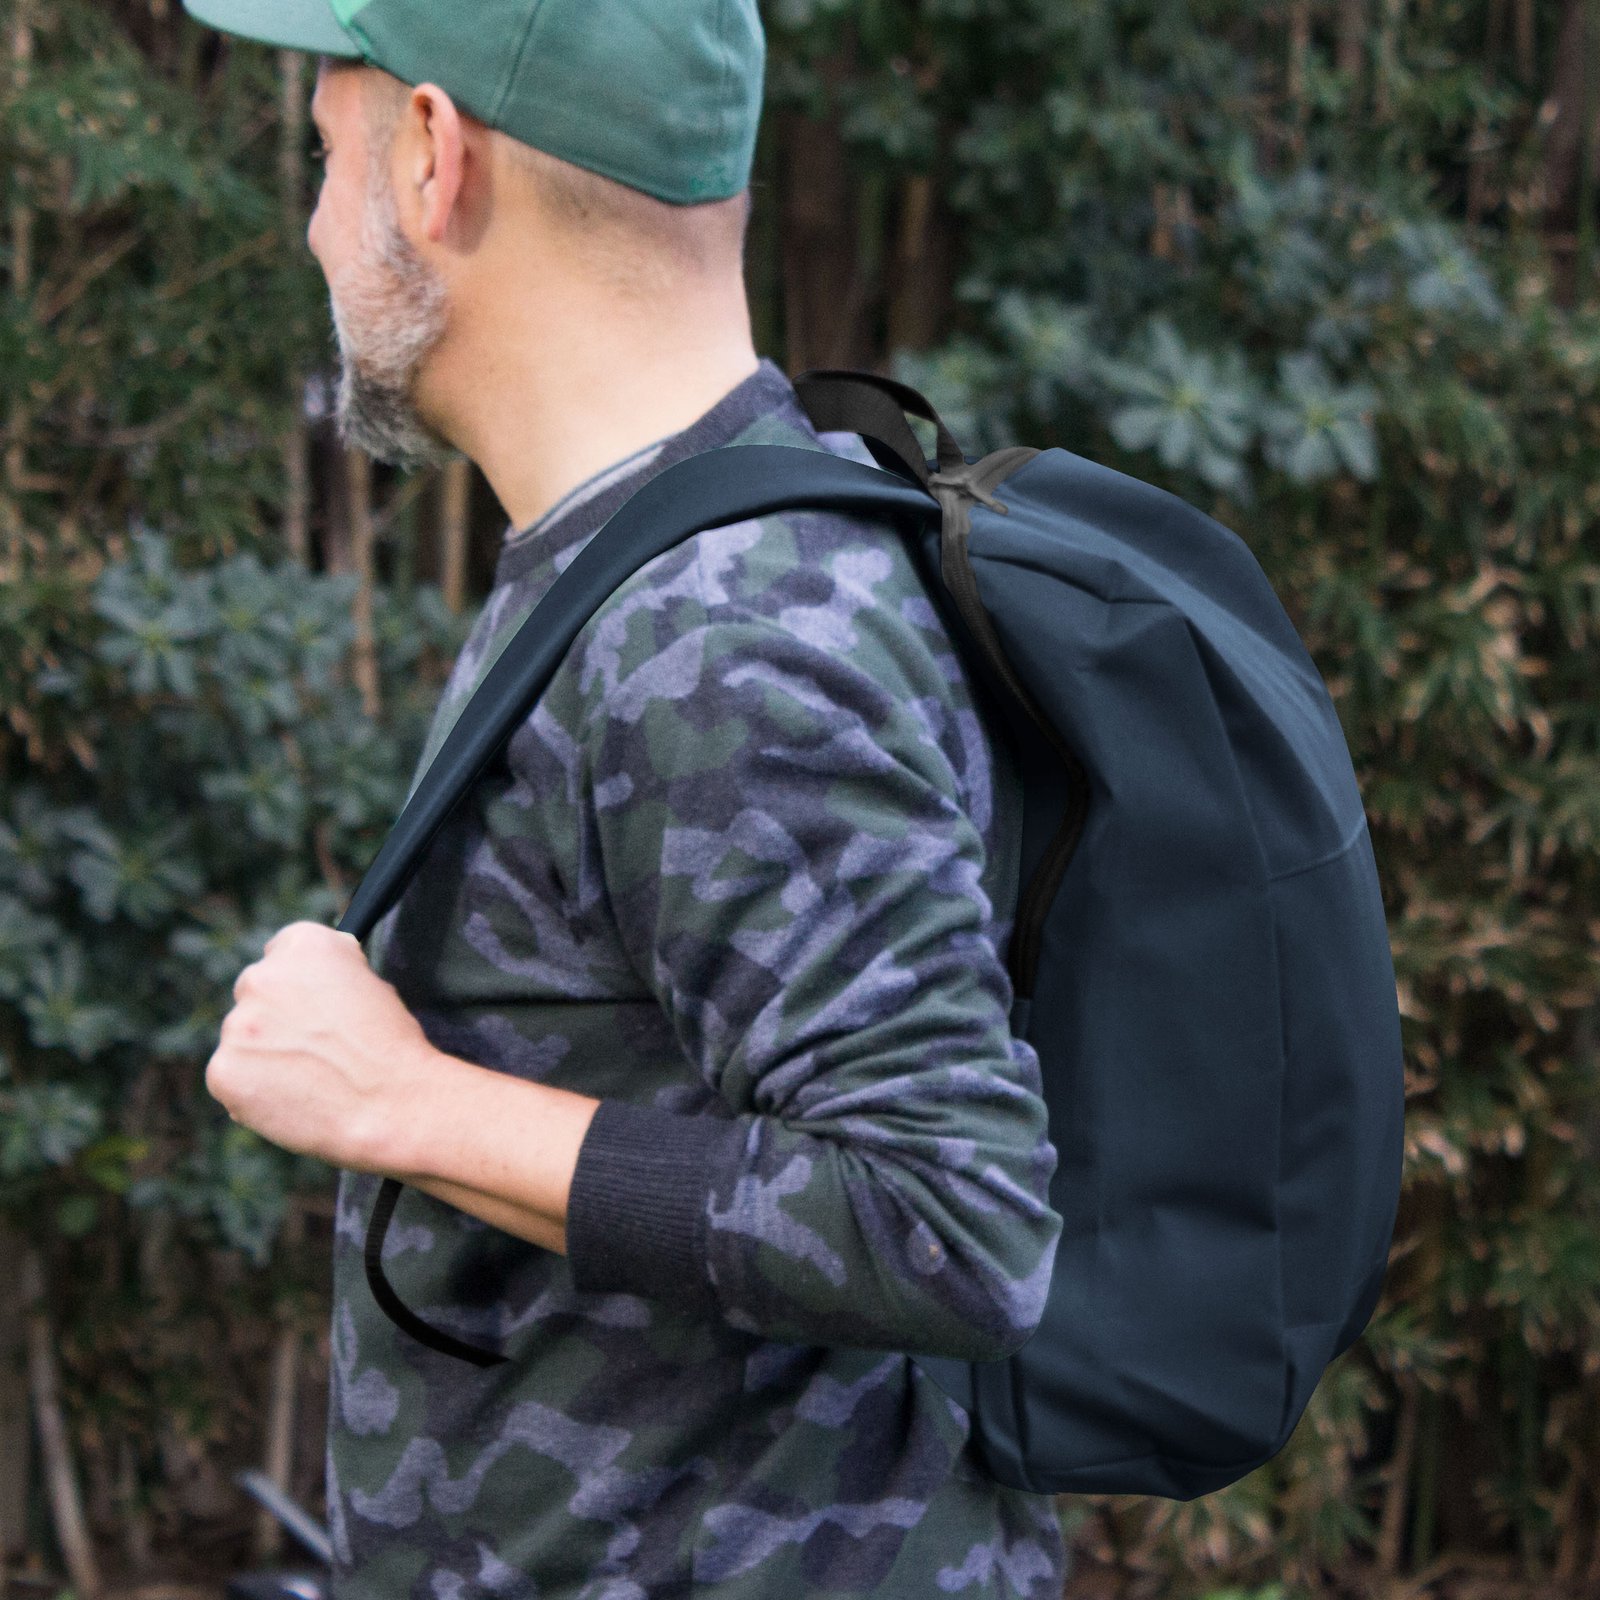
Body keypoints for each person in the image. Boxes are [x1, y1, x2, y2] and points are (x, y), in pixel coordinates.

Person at [187, 1, 1067, 1594]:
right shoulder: (653, 552)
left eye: (325, 156)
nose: (315, 225)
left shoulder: (724, 631)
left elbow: (951, 1217)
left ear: (434, 157)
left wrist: (399, 1102)